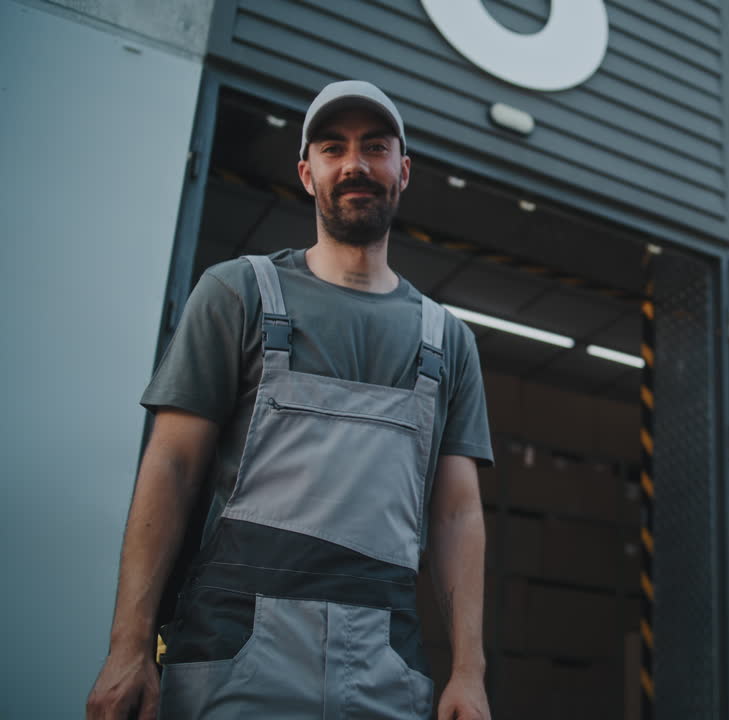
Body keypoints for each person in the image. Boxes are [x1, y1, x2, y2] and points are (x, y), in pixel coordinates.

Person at [86, 80, 493, 719]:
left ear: (403, 170)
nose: (355, 164)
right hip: (230, 661)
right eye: (333, 148)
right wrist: (128, 645)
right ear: (308, 173)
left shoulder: (448, 341)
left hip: (386, 674)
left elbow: (457, 516)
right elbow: (171, 468)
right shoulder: (238, 294)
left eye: (376, 147)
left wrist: (469, 672)